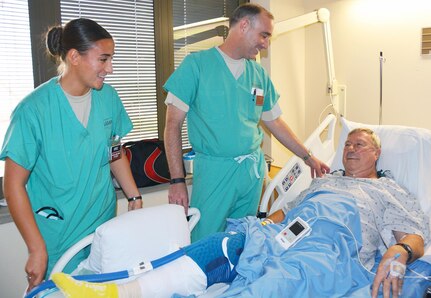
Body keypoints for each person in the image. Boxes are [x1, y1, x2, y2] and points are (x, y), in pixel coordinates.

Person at [50, 128, 430, 297]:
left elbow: (414, 235)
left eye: (359, 144)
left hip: (328, 249)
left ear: (377, 153)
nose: (350, 149)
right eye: (347, 143)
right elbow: (289, 212)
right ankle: (120, 288)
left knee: (280, 280)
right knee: (228, 241)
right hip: (288, 230)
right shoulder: (324, 181)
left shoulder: (388, 191)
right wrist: (263, 226)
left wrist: (400, 253)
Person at [163, 3, 330, 242]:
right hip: (215, 171)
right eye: (264, 35)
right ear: (243, 26)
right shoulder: (196, 66)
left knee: (242, 236)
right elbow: (172, 126)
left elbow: (274, 122)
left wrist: (308, 156)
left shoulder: (258, 75)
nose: (266, 43)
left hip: (251, 172)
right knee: (206, 239)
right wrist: (177, 180)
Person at [0, 18, 143, 291]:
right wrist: (36, 248)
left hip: (102, 224)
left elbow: (114, 151)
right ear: (75, 57)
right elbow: (13, 184)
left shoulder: (108, 98)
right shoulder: (33, 111)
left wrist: (134, 195)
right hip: (58, 233)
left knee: (105, 291)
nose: (109, 69)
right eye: (103, 60)